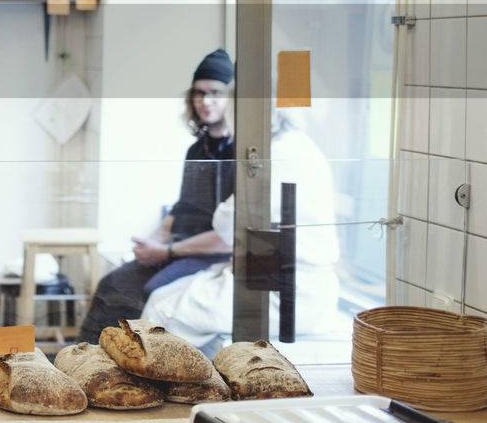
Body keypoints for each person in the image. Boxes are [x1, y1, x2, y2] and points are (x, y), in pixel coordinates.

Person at [141, 108, 342, 355]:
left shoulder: (275, 156)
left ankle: (164, 385)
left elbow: (226, 223)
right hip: (290, 280)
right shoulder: (301, 145)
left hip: (287, 292)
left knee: (162, 309)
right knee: (163, 295)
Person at [78, 48, 236, 342]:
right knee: (112, 285)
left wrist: (165, 253)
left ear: (231, 98)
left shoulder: (239, 152)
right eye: (199, 93)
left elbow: (227, 237)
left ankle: (132, 372)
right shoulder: (197, 149)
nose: (206, 101)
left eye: (216, 93)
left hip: (210, 254)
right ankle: (86, 363)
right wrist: (155, 240)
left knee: (149, 293)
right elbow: (183, 206)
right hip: (179, 247)